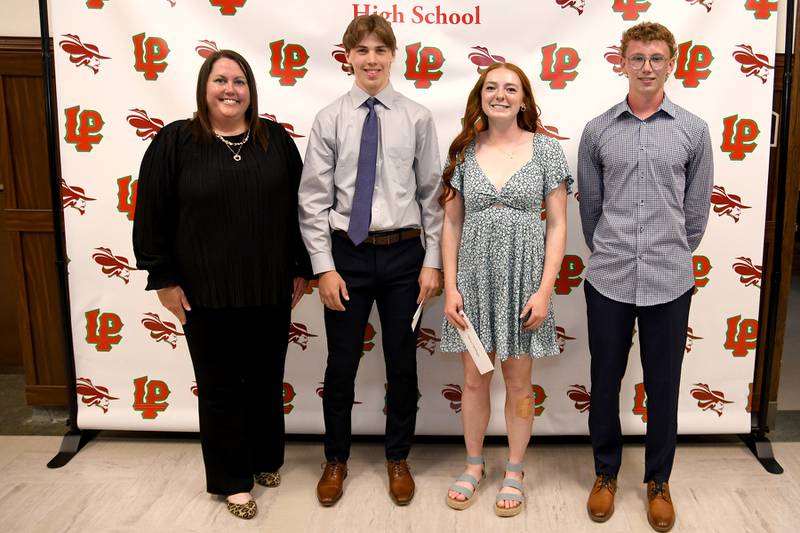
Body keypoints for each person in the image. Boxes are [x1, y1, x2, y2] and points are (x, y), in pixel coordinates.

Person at [132, 50, 312, 520]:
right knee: (219, 386)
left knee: (266, 380)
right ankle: (233, 480)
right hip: (203, 292)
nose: (230, 89)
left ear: (251, 89)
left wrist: (301, 266)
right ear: (204, 88)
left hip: (269, 286)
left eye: (239, 81)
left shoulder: (276, 140)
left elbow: (300, 211)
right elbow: (150, 214)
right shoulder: (174, 142)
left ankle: (265, 459)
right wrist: (163, 278)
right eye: (220, 80)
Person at [298, 14, 443, 507]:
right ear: (348, 57)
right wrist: (323, 266)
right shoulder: (330, 118)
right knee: (341, 364)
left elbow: (431, 196)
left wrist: (433, 262)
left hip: (405, 255)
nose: (372, 59)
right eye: (362, 50)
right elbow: (313, 200)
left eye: (381, 50)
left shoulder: (417, 117)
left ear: (393, 56)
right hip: (347, 257)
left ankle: (397, 456)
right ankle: (335, 458)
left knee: (402, 364)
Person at [577, 22, 713, 532]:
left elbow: (694, 216)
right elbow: (591, 209)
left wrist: (666, 252)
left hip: (669, 280)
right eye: (638, 58)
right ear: (622, 62)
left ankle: (659, 481)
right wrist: (615, 249)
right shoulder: (598, 130)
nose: (647, 67)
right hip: (608, 277)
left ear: (672, 63)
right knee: (605, 381)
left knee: (664, 384)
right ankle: (605, 473)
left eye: (657, 58)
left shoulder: (693, 131)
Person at [439, 62, 571, 517]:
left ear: (523, 98)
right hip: (473, 282)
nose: (500, 95)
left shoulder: (547, 150)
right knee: (474, 380)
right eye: (491, 87)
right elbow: (451, 223)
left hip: (524, 282)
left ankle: (514, 470)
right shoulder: (462, 151)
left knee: (518, 382)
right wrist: (451, 287)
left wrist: (545, 289)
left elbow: (557, 225)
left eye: (509, 88)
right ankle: (474, 465)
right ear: (480, 95)